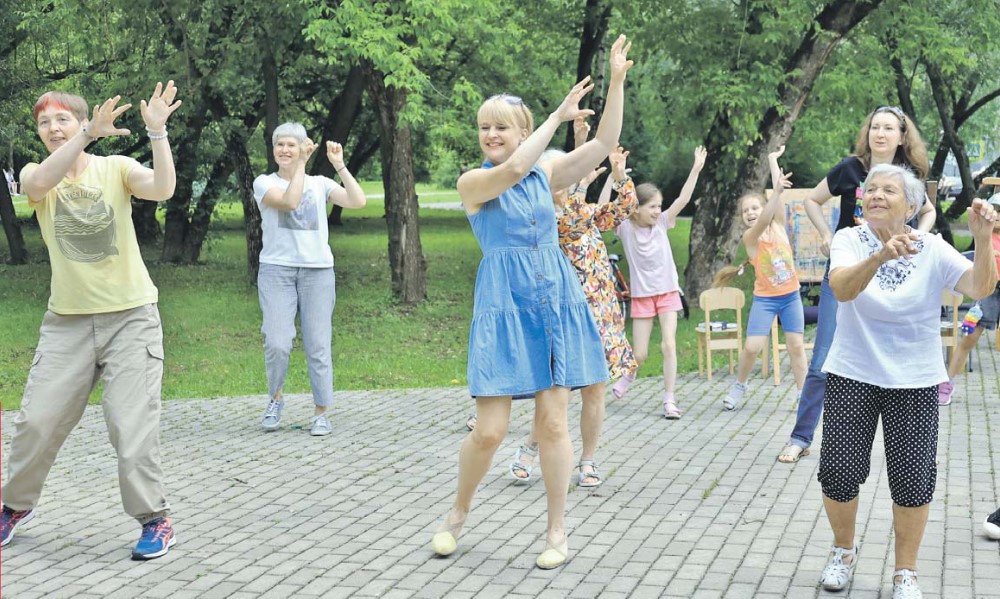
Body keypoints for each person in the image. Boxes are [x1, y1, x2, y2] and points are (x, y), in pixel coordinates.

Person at [431, 35, 632, 570]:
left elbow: (604, 142)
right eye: (485, 126)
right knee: (490, 431)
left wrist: (615, 82)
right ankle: (457, 512)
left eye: (502, 126)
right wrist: (556, 115)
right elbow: (516, 169)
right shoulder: (475, 181)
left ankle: (557, 529)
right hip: (504, 307)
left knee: (552, 425)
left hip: (554, 300)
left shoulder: (546, 174)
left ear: (520, 132)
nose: (490, 134)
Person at [1, 83, 182, 560]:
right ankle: (14, 508)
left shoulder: (116, 169)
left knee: (130, 425)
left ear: (79, 120)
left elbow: (163, 189)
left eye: (61, 119)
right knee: (36, 421)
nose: (52, 128)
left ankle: (154, 519)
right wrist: (84, 136)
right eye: (44, 122)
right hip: (67, 323)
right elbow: (38, 187)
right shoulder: (35, 173)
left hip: (131, 319)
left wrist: (157, 133)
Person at [815, 164, 997, 598]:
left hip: (914, 379)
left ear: (912, 206)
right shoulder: (847, 240)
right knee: (838, 472)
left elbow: (979, 287)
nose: (876, 195)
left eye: (889, 190)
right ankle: (843, 551)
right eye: (870, 189)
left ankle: (905, 573)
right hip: (852, 372)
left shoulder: (932, 248)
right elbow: (841, 288)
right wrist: (880, 255)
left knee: (913, 479)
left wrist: (985, 239)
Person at [777, 105, 936, 464]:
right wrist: (825, 235)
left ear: (901, 136)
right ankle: (801, 437)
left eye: (888, 128)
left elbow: (928, 211)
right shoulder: (851, 169)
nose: (879, 134)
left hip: (894, 276)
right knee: (821, 362)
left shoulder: (906, 175)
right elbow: (812, 201)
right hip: (848, 270)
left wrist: (917, 239)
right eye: (874, 127)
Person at [508, 140, 638, 488]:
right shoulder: (549, 217)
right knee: (557, 393)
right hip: (563, 315)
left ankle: (588, 459)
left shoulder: (582, 210)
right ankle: (531, 447)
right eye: (559, 177)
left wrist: (620, 176)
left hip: (601, 314)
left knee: (595, 391)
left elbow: (621, 211)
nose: (568, 181)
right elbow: (580, 216)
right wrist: (586, 166)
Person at [253, 123, 366, 436]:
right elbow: (289, 202)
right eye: (281, 145)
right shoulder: (264, 183)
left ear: (303, 147)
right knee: (277, 342)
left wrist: (339, 165)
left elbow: (357, 201)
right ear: (274, 150)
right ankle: (275, 399)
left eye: (293, 145)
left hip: (317, 271)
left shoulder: (320, 184)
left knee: (318, 345)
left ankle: (321, 411)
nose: (286, 150)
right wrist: (301, 162)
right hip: (277, 270)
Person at [610, 146, 707, 418]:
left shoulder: (663, 223)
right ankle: (629, 376)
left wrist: (696, 169)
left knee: (668, 344)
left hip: (666, 293)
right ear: (636, 208)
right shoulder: (626, 228)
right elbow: (605, 208)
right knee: (639, 354)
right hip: (642, 296)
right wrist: (613, 177)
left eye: (659, 206)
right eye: (652, 206)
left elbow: (684, 199)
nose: (657, 211)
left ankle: (669, 400)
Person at [713, 146, 808, 410]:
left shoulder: (778, 224)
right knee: (753, 347)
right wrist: (774, 191)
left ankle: (802, 394)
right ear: (743, 219)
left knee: (796, 346)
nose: (752, 212)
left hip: (790, 296)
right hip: (765, 299)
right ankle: (739, 386)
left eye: (756, 207)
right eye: (747, 211)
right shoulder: (750, 238)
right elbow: (767, 213)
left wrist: (772, 161)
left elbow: (776, 203)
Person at [938, 192, 1000, 404]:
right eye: (996, 211)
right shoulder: (985, 235)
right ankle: (947, 381)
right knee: (970, 336)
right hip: (988, 292)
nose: (999, 215)